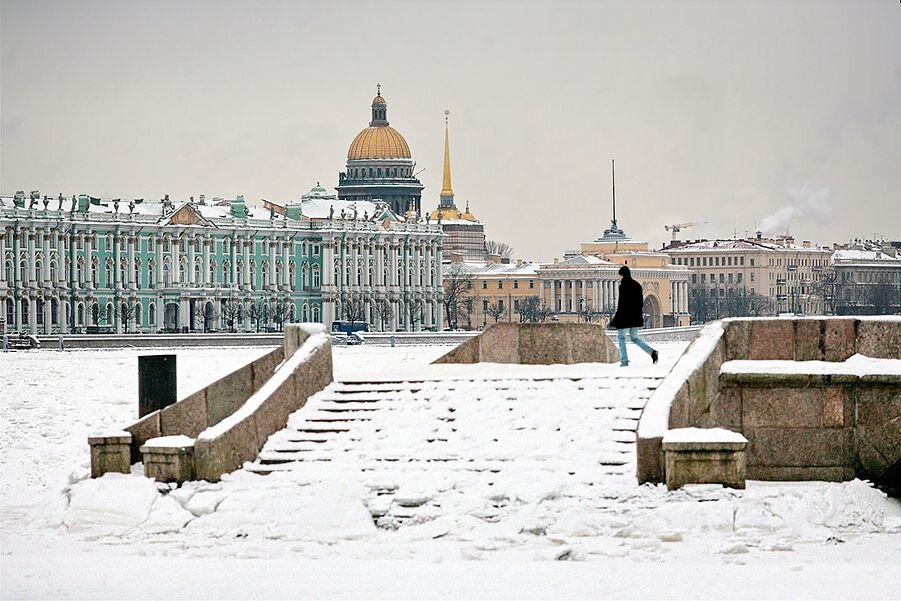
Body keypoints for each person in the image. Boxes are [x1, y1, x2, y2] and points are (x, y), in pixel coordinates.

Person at [610, 265, 658, 367]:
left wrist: (616, 318)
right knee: (635, 338)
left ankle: (624, 361)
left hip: (625, 317)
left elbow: (621, 304)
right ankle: (652, 352)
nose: (619, 277)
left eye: (620, 275)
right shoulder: (637, 285)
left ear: (622, 275)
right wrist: (636, 313)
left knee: (621, 338)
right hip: (635, 316)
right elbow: (641, 303)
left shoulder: (623, 286)